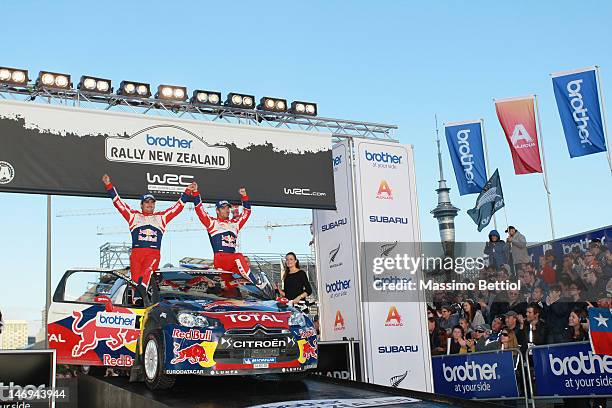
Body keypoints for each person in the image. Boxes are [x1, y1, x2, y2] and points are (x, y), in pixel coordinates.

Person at [102, 174, 193, 293]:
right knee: (135, 283)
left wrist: (187, 191)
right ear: (141, 205)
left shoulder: (161, 217)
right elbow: (118, 203)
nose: (150, 204)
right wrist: (109, 185)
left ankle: (143, 288)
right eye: (147, 202)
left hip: (153, 253)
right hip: (136, 254)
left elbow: (177, 208)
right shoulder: (133, 216)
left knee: (147, 274)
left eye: (152, 202)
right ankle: (137, 300)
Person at [190, 184, 262, 287]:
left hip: (231, 263)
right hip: (221, 259)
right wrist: (196, 193)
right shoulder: (212, 222)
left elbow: (247, 212)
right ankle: (256, 284)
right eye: (223, 208)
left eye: (228, 208)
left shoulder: (235, 224)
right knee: (240, 257)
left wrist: (244, 196)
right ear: (217, 210)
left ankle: (250, 288)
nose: (227, 210)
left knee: (228, 287)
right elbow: (199, 210)